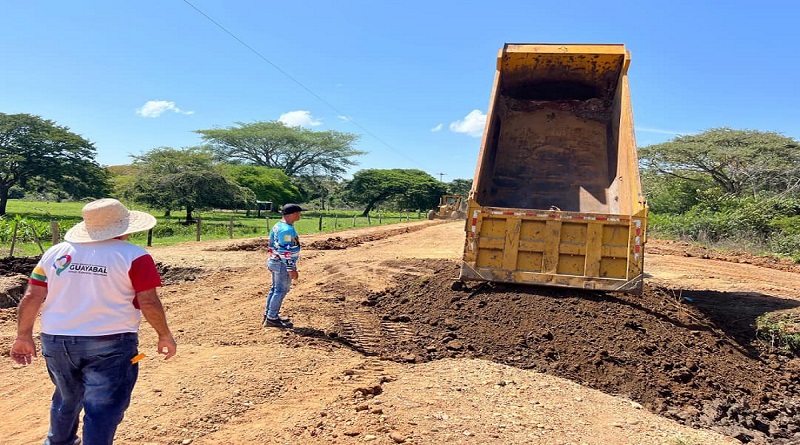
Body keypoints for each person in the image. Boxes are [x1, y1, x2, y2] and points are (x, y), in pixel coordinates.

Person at [10, 198, 177, 445]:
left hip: (56, 341)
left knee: (65, 398)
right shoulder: (135, 256)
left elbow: (33, 295)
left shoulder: (56, 252)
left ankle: (59, 442)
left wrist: (23, 336)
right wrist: (164, 335)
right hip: (110, 341)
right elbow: (148, 301)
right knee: (103, 406)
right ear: (124, 228)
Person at [263, 203, 304, 328]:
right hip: (282, 264)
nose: (300, 215)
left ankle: (269, 314)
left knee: (275, 289)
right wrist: (291, 268)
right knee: (281, 290)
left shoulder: (278, 225)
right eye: (298, 213)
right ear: (293, 214)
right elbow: (285, 251)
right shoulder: (286, 230)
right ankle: (272, 318)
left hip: (275, 261)